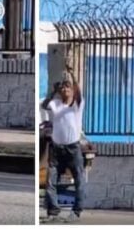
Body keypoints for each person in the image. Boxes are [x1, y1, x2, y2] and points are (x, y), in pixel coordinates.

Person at [41, 74, 85, 222]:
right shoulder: (56, 104)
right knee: (51, 180)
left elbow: (78, 91)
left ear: (73, 90)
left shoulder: (76, 105)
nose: (65, 89)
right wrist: (53, 92)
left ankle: (76, 211)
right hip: (57, 149)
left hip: (73, 148)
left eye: (68, 87)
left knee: (79, 180)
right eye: (63, 87)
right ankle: (53, 211)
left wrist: (72, 74)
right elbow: (45, 105)